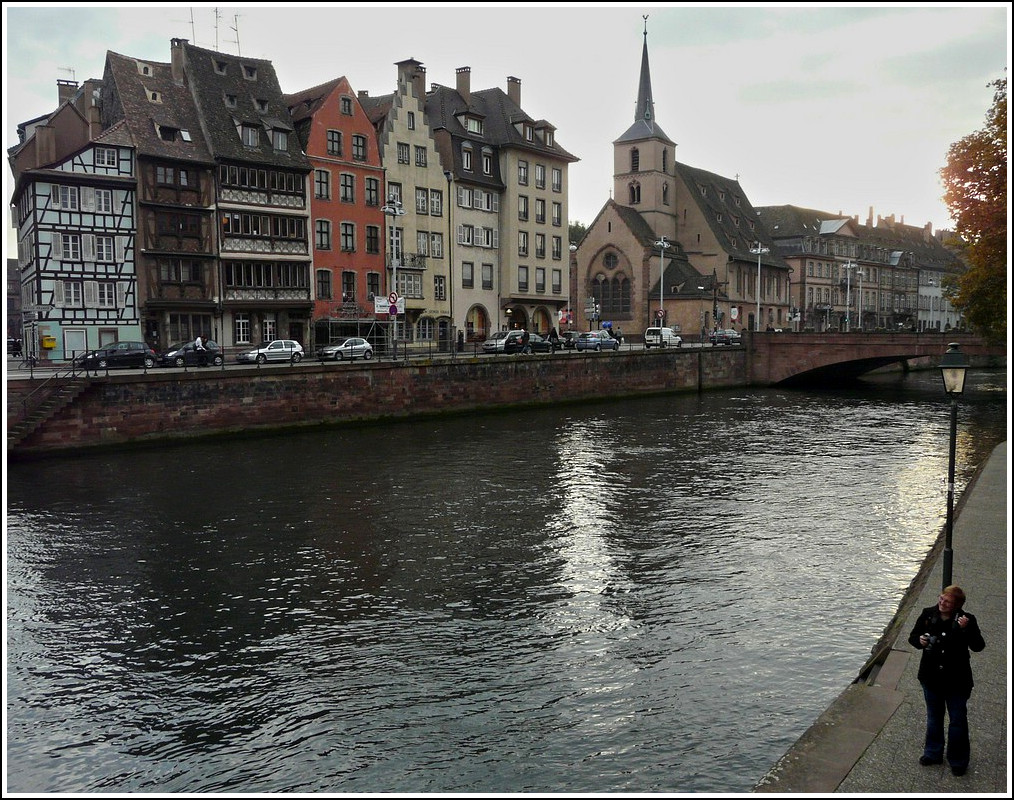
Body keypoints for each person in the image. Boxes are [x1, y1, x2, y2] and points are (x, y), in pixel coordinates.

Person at [907, 584, 985, 776]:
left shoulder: (967, 620)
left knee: (957, 720)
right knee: (934, 717)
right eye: (941, 598)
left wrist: (966, 630)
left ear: (957, 605)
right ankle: (933, 753)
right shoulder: (927, 614)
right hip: (931, 677)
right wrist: (920, 641)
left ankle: (958, 760)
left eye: (947, 601)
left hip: (957, 680)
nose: (941, 603)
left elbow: (978, 646)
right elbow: (913, 637)